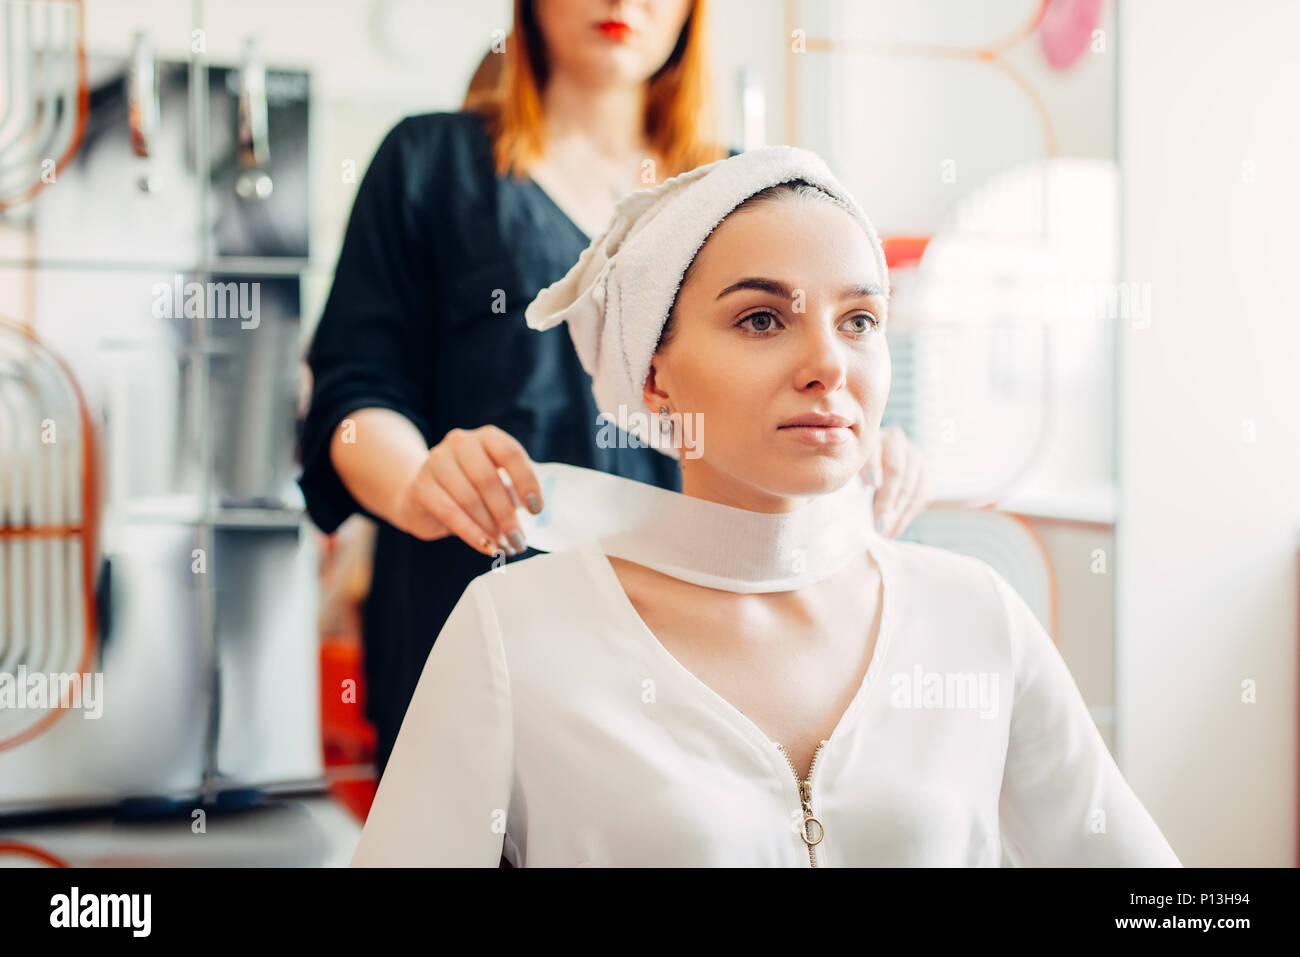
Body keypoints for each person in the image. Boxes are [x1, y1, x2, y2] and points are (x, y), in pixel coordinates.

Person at [347, 146, 1182, 867]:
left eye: (860, 319)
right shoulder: (518, 631)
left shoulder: (975, 619)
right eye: (760, 319)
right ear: (654, 377)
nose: (829, 363)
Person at [298, 0, 930, 783]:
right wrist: (419, 483)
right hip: (462, 630)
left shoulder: (749, 197)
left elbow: (802, 375)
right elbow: (355, 392)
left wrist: (842, 448)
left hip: (693, 658)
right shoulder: (429, 162)